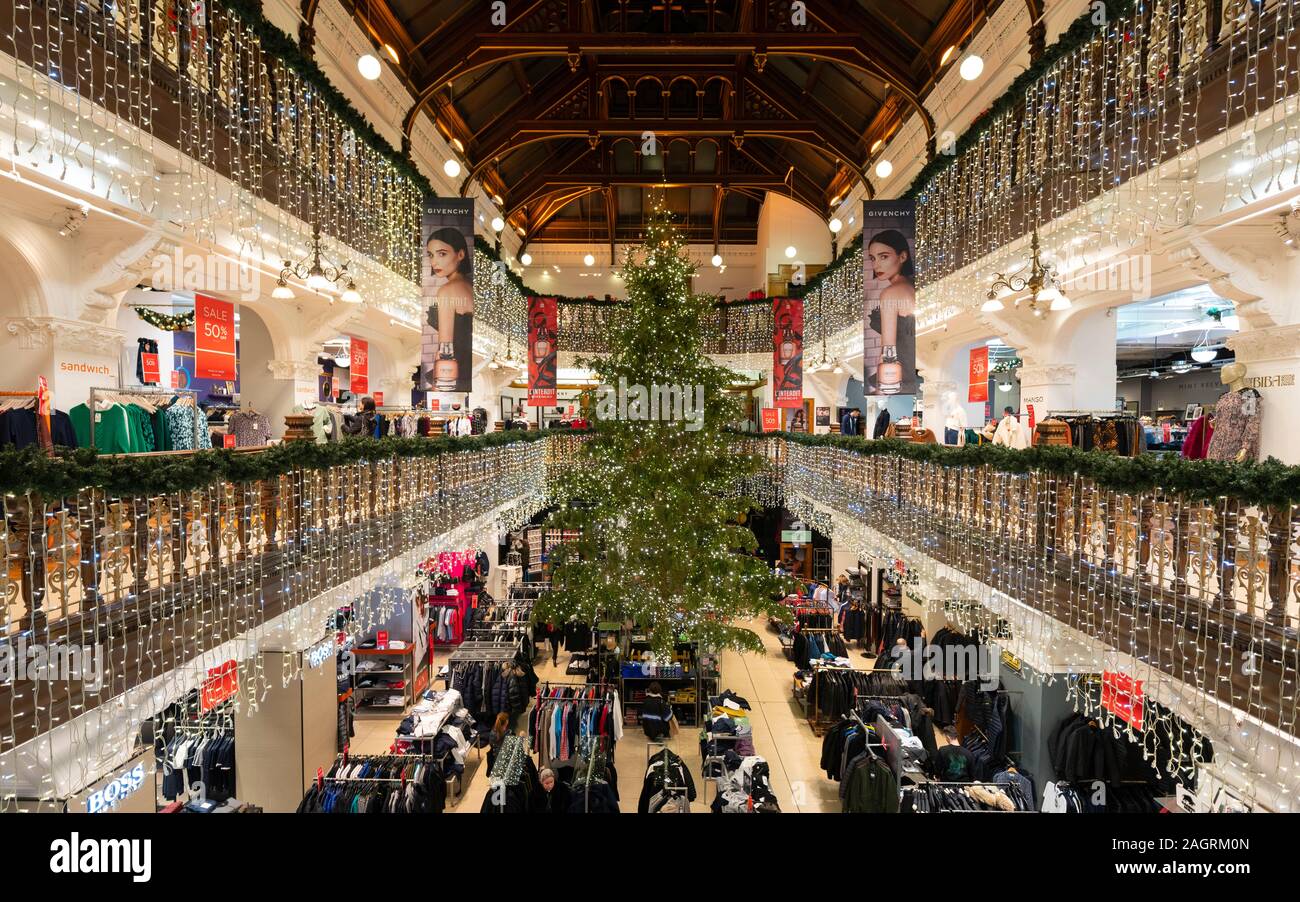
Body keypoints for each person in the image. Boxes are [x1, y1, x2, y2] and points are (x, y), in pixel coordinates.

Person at [866, 229, 916, 394]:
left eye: (884, 256)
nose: (876, 265)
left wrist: (881, 389)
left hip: (897, 374)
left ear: (902, 256)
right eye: (873, 258)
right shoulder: (910, 287)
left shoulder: (890, 293)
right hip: (910, 366)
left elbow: (889, 349)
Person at [425, 227, 474, 392]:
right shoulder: (469, 286)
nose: (434, 262)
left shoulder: (447, 290)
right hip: (466, 366)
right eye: (431, 255)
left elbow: (445, 346)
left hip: (452, 371)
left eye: (442, 254)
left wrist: (436, 386)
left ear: (460, 254)